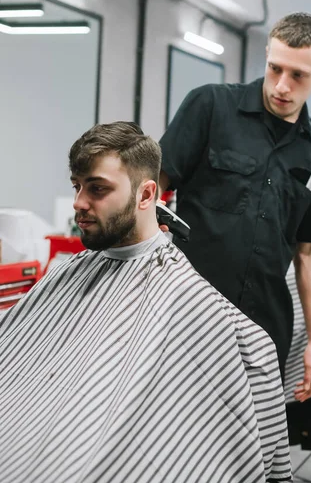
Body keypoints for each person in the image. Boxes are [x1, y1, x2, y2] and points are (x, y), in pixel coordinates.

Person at [0, 121, 292, 483]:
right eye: (77, 187)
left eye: (97, 189)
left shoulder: (181, 294)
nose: (78, 202)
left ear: (145, 194)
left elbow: (257, 353)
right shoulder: (74, 270)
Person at [159, 12, 311, 400]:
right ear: (266, 55)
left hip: (263, 327)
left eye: (298, 75)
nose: (282, 85)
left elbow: (310, 252)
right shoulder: (210, 106)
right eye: (275, 68)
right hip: (187, 312)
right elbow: (152, 190)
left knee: (251, 444)